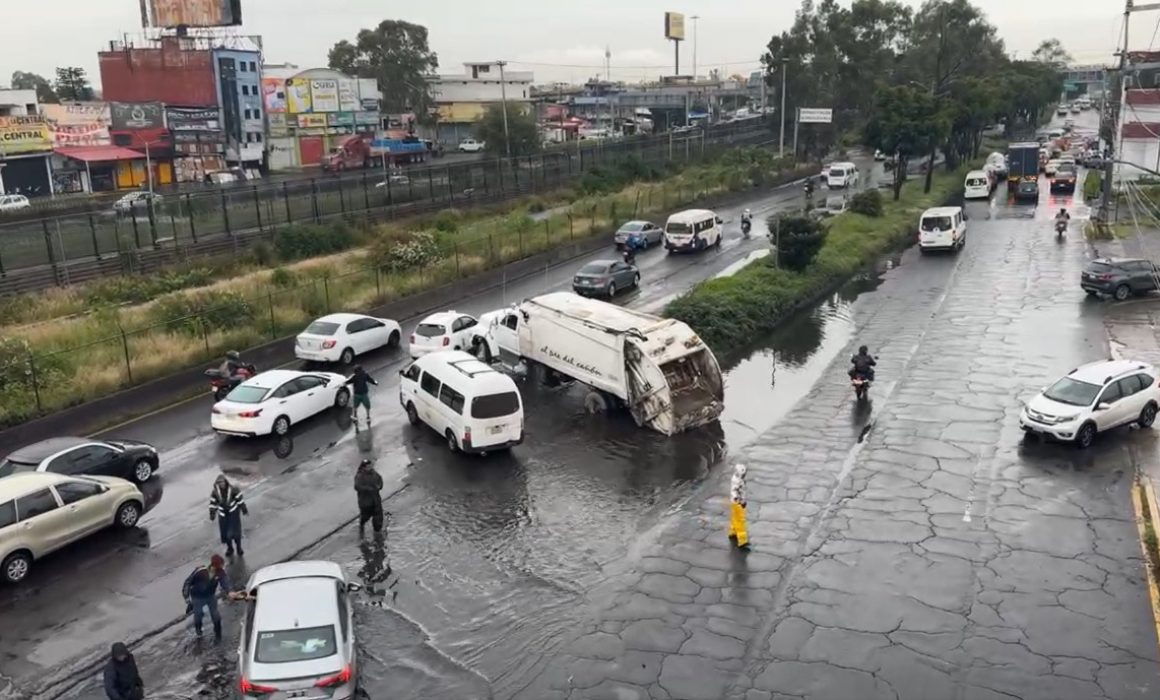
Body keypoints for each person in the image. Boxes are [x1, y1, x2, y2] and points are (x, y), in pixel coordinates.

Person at [182, 554, 231, 642]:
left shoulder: (220, 573)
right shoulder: (200, 571)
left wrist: (229, 591)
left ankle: (218, 636)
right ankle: (199, 633)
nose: (221, 568)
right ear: (214, 565)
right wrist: (187, 599)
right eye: (220, 566)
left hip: (210, 596)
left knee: (215, 615)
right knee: (198, 615)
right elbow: (188, 583)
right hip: (197, 597)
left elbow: (225, 582)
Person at [209, 474, 248, 556]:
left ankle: (239, 548)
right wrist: (212, 514)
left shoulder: (233, 489)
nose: (221, 484)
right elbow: (213, 503)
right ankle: (230, 548)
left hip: (233, 513)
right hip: (223, 515)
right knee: (226, 534)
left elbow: (240, 500)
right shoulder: (215, 493)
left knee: (236, 533)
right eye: (219, 483)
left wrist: (244, 509)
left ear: (225, 482)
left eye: (222, 482)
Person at [355, 459, 385, 537]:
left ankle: (378, 533)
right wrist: (368, 489)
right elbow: (357, 486)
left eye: (370, 466)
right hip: (365, 502)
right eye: (368, 466)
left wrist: (379, 486)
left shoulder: (374, 474)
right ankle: (362, 525)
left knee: (378, 519)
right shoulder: (359, 476)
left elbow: (380, 480)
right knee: (365, 517)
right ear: (364, 467)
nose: (370, 467)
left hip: (376, 500)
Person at [728, 463, 749, 549]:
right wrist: (741, 502)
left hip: (733, 502)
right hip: (738, 503)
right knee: (740, 521)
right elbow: (737, 493)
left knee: (735, 518)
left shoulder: (735, 478)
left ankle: (732, 532)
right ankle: (742, 541)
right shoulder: (738, 481)